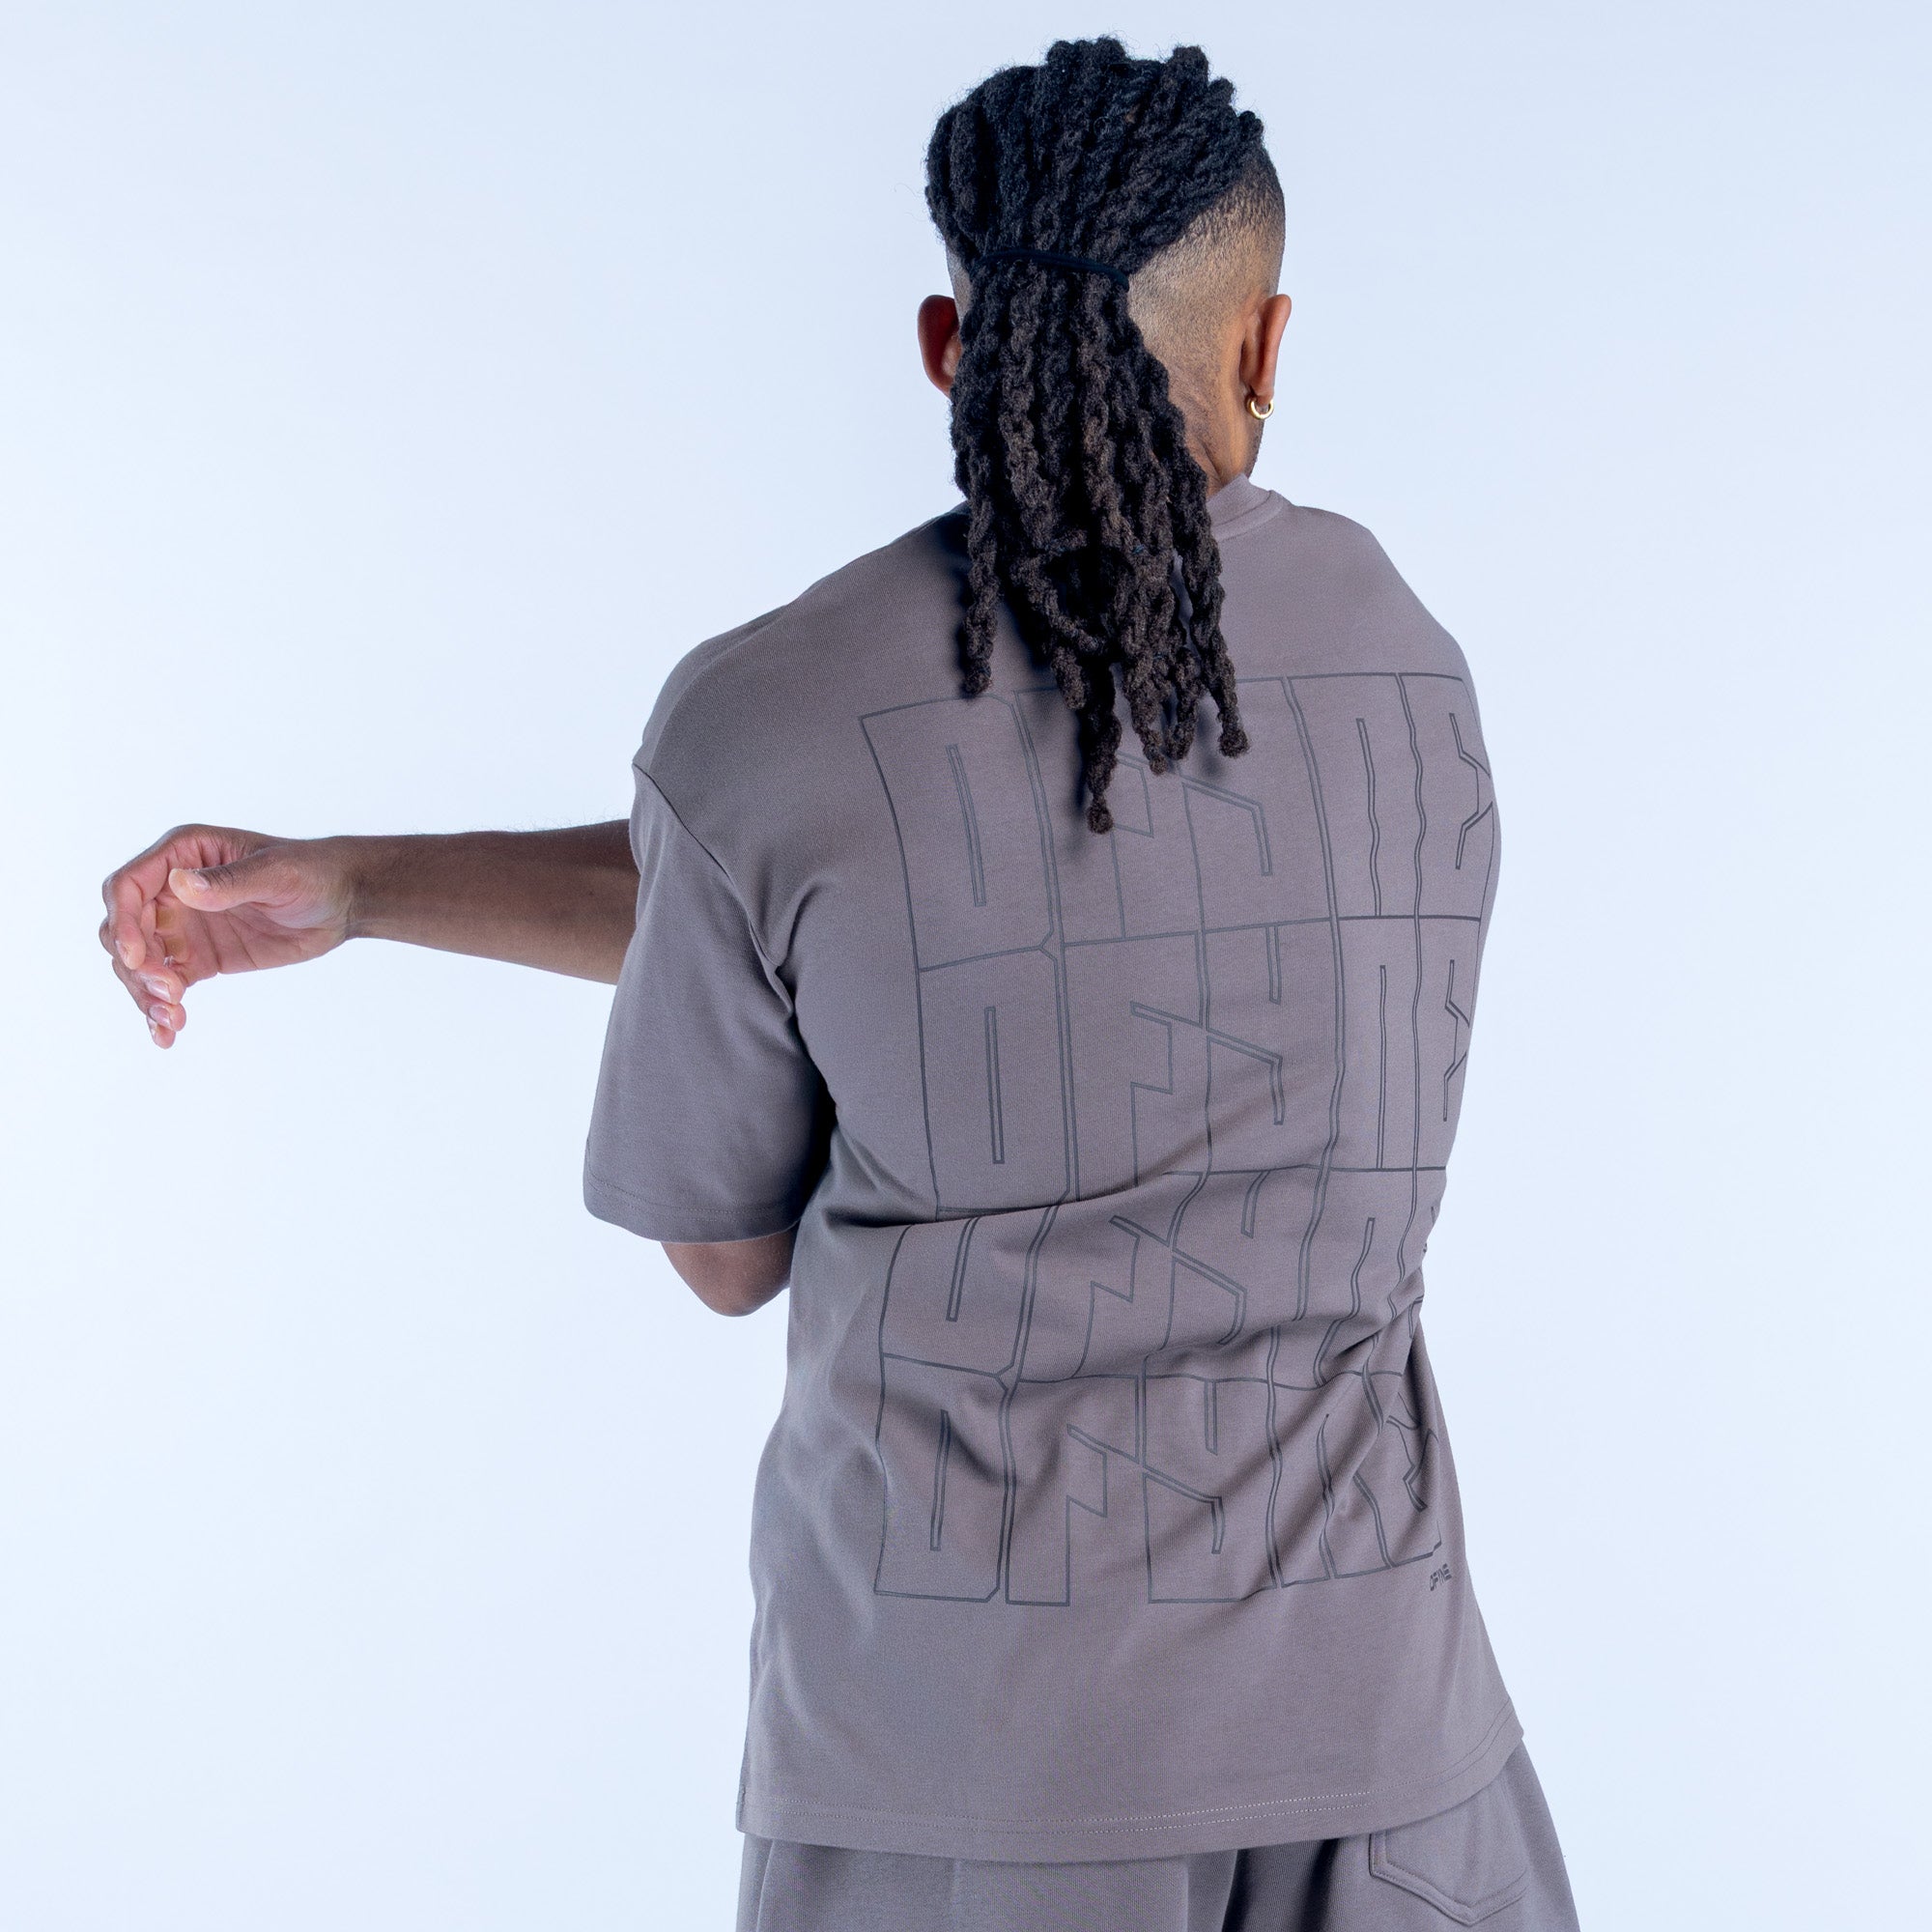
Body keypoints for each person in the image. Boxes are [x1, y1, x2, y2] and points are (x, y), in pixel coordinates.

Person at [99, 39, 1579, 1932]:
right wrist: (365, 885)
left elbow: (739, 1210)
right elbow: (908, 902)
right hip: (1398, 1770)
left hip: (971, 1790)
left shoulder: (768, 719)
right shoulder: (1399, 658)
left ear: (950, 347)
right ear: (1265, 345)